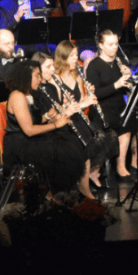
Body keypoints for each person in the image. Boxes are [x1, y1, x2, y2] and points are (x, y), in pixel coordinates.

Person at [32, 51, 91, 196]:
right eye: (48, 67)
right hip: (45, 134)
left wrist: (65, 107)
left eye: (53, 66)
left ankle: (81, 189)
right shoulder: (35, 91)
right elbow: (39, 120)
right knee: (73, 146)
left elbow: (56, 112)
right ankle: (55, 193)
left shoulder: (51, 87)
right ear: (38, 70)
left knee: (85, 141)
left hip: (57, 128)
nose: (53, 70)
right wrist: (67, 112)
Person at [2, 60, 71, 179]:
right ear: (26, 77)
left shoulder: (27, 94)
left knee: (66, 140)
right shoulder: (18, 97)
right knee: (60, 149)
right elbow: (29, 130)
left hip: (28, 140)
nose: (40, 79)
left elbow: (32, 120)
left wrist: (49, 116)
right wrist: (56, 125)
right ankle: (52, 193)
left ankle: (55, 192)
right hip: (20, 145)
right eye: (37, 75)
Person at [50, 42, 102, 196]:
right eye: (72, 56)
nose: (75, 59)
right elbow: (59, 109)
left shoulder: (77, 78)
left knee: (96, 134)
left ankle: (84, 185)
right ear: (63, 57)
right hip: (64, 121)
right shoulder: (55, 80)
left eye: (75, 55)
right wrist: (84, 102)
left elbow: (80, 106)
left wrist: (88, 97)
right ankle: (79, 186)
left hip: (78, 119)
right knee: (82, 138)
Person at [87, 29, 137, 180]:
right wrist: (116, 85)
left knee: (129, 126)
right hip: (102, 109)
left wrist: (129, 79)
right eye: (110, 44)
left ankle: (121, 167)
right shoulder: (94, 66)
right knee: (114, 128)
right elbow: (95, 94)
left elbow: (127, 87)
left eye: (116, 43)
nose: (115, 47)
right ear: (101, 45)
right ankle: (95, 170)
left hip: (118, 106)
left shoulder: (118, 62)